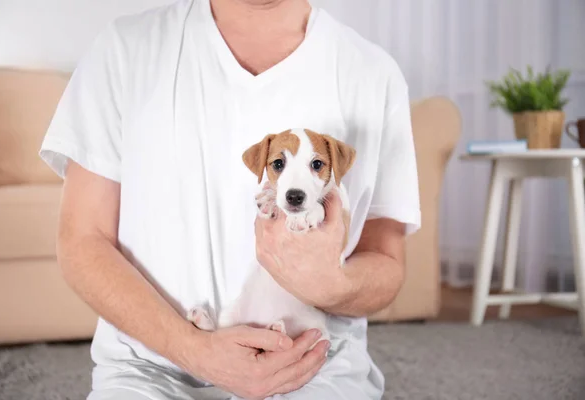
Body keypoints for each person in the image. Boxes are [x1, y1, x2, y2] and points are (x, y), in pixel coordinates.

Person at [39, 0, 421, 398]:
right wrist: (192, 350)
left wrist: (333, 286)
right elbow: (82, 241)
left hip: (312, 369)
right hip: (150, 372)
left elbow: (387, 264)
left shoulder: (373, 74)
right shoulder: (123, 49)